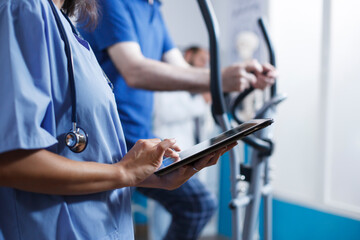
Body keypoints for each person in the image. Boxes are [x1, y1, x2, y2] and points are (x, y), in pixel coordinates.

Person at [0, 0, 236, 239]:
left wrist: (153, 178)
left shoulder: (68, 28)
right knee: (197, 205)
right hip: (60, 228)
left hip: (103, 223)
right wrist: (123, 173)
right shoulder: (23, 8)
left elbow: (92, 156)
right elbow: (10, 161)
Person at [78, 1, 276, 239]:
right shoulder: (113, 3)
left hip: (138, 134)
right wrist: (220, 78)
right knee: (196, 205)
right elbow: (134, 70)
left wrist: (239, 73)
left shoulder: (153, 10)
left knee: (130, 218)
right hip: (109, 134)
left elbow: (183, 70)